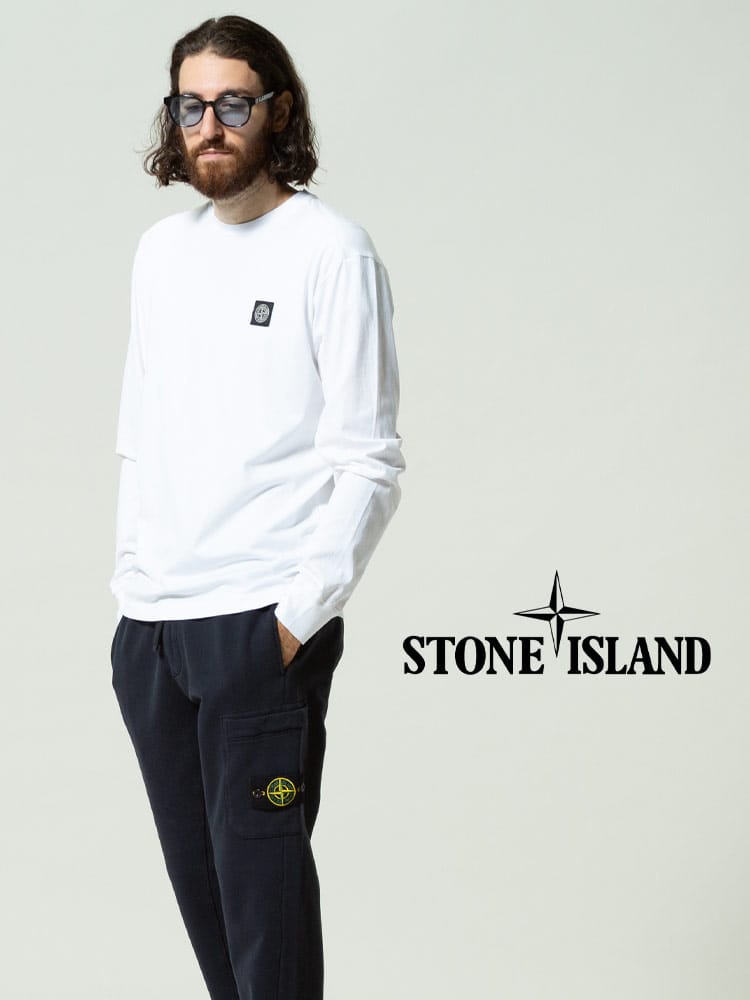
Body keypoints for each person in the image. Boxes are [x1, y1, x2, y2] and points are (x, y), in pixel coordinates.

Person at [108, 15, 404, 1000]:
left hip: (257, 629)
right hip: (154, 634)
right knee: (211, 925)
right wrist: (133, 603)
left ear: (277, 111)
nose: (209, 126)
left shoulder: (331, 251)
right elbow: (140, 435)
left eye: (233, 104)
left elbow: (368, 461)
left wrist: (290, 622)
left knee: (265, 929)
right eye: (190, 106)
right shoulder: (161, 252)